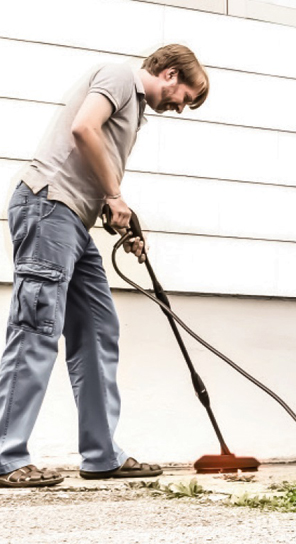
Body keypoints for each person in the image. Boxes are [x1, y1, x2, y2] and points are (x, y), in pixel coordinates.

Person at [0, 44, 210, 487]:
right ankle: (5, 454)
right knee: (36, 329)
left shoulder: (135, 109)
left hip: (74, 219)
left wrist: (121, 217)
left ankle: (102, 454)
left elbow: (97, 165)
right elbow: (83, 128)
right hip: (48, 207)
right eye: (185, 97)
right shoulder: (120, 76)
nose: (181, 107)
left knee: (98, 329)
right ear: (169, 73)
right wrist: (114, 196)